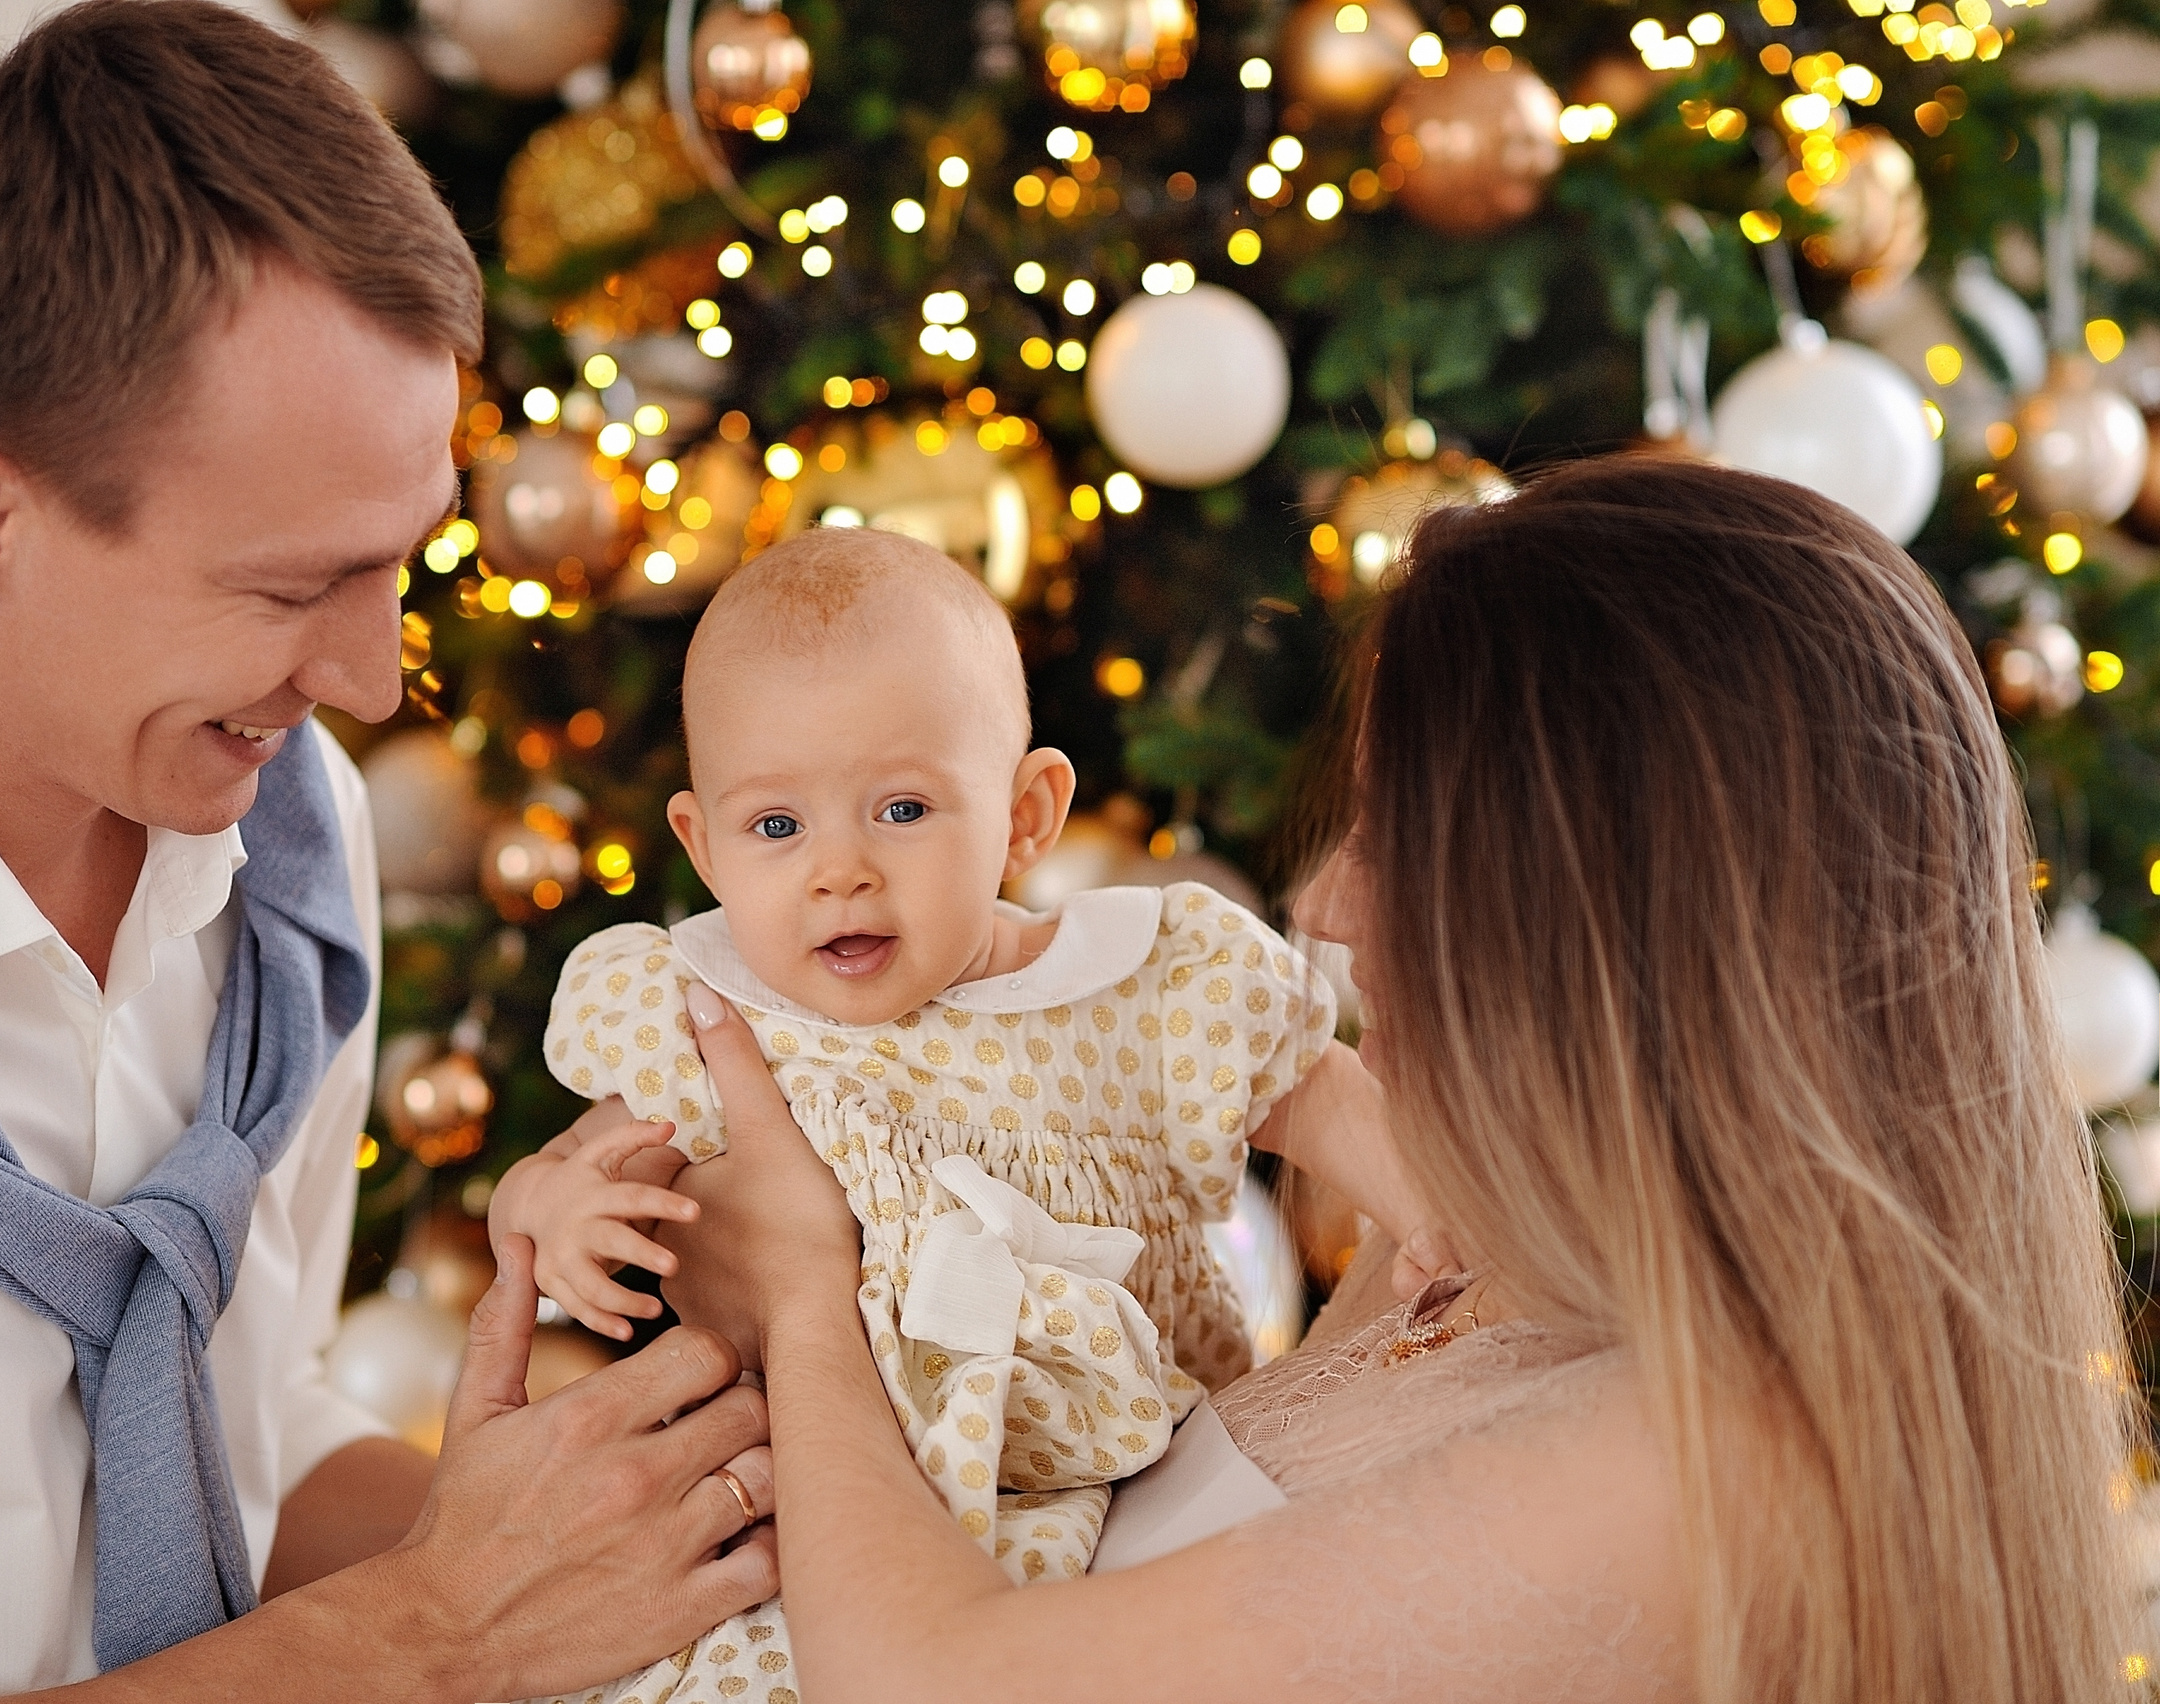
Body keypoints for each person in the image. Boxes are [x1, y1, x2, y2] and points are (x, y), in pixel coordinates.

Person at [0, 7, 777, 1700]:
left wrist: (667, 1540)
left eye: (403, 564)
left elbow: (247, 1425)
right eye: (293, 586)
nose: (372, 678)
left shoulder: (284, 837)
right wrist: (442, 1629)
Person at [636, 458, 2148, 1702]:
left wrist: (806, 1292)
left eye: (1396, 836)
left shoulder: (1705, 1450)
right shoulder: (1475, 1260)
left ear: (1603, 914)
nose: (1331, 909)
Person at [492, 530, 1331, 1703]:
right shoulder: (703, 1010)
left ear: (1026, 813)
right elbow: (556, 1173)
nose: (838, 870)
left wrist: (1434, 1206)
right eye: (776, 828)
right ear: (703, 845)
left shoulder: (1134, 989)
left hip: (1116, 1501)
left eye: (900, 807)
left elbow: (1318, 1094)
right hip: (798, 1527)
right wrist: (561, 1208)